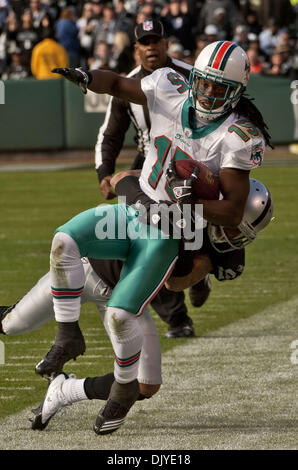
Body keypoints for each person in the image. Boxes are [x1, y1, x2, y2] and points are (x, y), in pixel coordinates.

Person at [41, 38, 272, 435]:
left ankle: (109, 388)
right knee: (64, 242)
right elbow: (116, 86)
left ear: (236, 93)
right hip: (135, 213)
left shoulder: (238, 137)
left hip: (167, 233)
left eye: (221, 88)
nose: (210, 93)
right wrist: (86, 76)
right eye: (205, 83)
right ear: (193, 77)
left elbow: (231, 211)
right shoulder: (167, 84)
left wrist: (182, 214)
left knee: (123, 323)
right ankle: (67, 335)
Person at [0, 178, 274, 432]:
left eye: (239, 230)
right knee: (12, 324)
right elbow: (124, 179)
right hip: (86, 271)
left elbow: (177, 286)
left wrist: (201, 270)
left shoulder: (226, 252)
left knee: (145, 385)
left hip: (125, 300)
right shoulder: (181, 197)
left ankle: (64, 391)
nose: (233, 235)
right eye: (233, 223)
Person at [95, 18, 208, 339]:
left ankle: (199, 272)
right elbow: (110, 135)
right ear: (135, 49)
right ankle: (177, 318)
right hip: (148, 165)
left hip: (191, 161)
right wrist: (105, 174)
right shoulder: (126, 85)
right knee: (144, 241)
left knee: (192, 225)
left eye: (155, 40)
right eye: (144, 42)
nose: (150, 47)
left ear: (165, 43)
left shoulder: (191, 75)